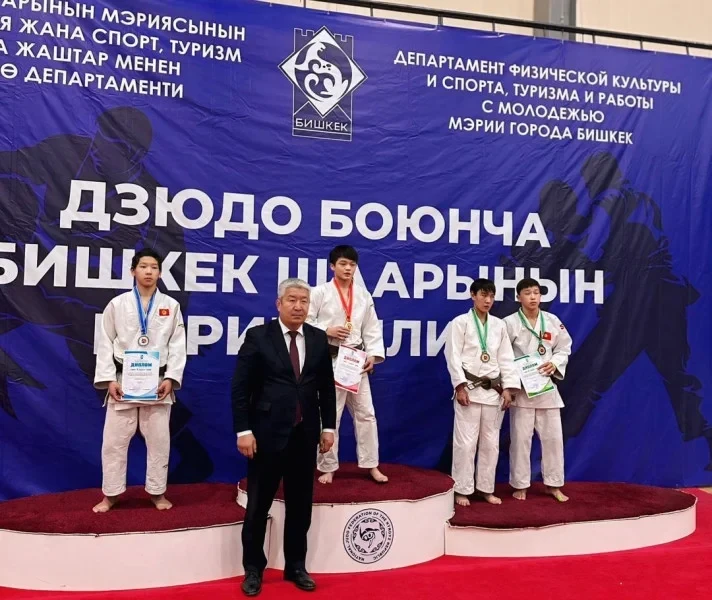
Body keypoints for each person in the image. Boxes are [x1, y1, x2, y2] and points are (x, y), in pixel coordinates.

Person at [232, 278, 337, 596]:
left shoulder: (318, 338)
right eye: (292, 300)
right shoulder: (258, 336)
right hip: (265, 435)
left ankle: (296, 566)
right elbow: (240, 388)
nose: (298, 306)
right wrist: (244, 430)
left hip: (305, 435)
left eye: (304, 301)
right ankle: (253, 569)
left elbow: (326, 388)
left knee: (301, 505)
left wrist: (328, 427)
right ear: (279, 303)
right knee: (258, 505)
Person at [92, 249, 187, 513]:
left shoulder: (171, 305)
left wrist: (171, 377)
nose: (148, 271)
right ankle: (110, 494)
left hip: (157, 383)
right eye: (143, 266)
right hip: (123, 382)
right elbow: (104, 343)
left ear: (160, 273)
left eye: (154, 267)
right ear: (133, 271)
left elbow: (178, 345)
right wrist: (109, 380)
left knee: (159, 442)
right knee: (113, 443)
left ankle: (157, 492)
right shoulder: (117, 304)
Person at [306, 245, 388, 484]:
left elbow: (372, 327)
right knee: (331, 415)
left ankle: (371, 464)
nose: (348, 268)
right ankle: (328, 466)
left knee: (366, 414)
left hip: (355, 362)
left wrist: (373, 354)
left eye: (352, 264)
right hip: (330, 360)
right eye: (343, 264)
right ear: (332, 266)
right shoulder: (319, 293)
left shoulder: (363, 295)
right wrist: (326, 330)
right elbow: (305, 321)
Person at [445, 278, 519, 506]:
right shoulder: (460, 323)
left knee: (491, 444)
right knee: (465, 443)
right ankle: (462, 489)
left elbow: (506, 359)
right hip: (469, 389)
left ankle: (486, 488)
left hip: (493, 392)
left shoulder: (499, 325)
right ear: (473, 295)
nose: (488, 300)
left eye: (491, 296)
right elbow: (452, 356)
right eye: (483, 295)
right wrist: (459, 386)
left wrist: (508, 388)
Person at [504, 278, 572, 502]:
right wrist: (513, 379)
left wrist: (555, 363)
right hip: (522, 390)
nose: (533, 297)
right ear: (518, 297)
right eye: (527, 293)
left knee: (553, 439)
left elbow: (564, 347)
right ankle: (520, 485)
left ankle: (554, 484)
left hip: (546, 388)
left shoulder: (552, 321)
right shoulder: (509, 323)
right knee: (520, 440)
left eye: (536, 292)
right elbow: (502, 354)